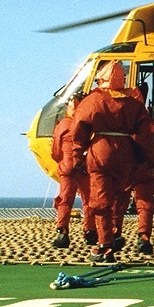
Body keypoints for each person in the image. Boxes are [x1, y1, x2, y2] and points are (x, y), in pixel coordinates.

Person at [70, 62, 154, 262]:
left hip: (100, 152)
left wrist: (77, 156)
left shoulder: (93, 101)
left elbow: (79, 130)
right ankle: (116, 233)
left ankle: (105, 245)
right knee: (118, 199)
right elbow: (145, 137)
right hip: (125, 156)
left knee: (100, 202)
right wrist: (151, 162)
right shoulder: (134, 105)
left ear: (102, 78)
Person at [112, 86, 154, 256]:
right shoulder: (152, 125)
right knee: (145, 204)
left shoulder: (118, 125)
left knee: (117, 203)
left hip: (123, 171)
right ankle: (144, 237)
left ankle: (114, 233)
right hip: (146, 170)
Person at [49, 94, 96, 248]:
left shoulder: (63, 124)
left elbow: (55, 151)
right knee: (89, 200)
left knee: (65, 200)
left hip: (67, 166)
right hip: (84, 166)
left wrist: (62, 161)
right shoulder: (88, 124)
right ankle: (90, 231)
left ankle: (62, 232)